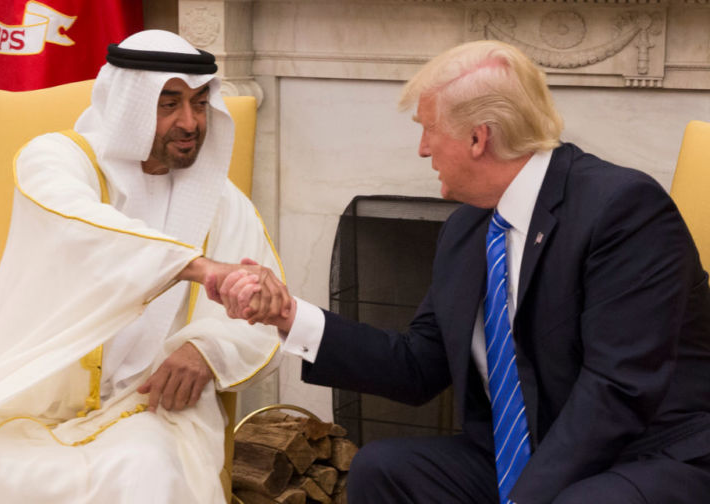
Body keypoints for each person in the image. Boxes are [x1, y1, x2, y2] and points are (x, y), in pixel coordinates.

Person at [216, 40, 710, 503]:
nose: (423, 148)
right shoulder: (468, 229)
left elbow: (618, 390)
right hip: (525, 452)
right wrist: (287, 316)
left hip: (643, 452)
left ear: (478, 138)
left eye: (428, 128)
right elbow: (417, 365)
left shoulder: (621, 208)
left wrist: (524, 498)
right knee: (381, 469)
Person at [0, 30, 290, 504]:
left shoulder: (222, 203)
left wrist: (206, 349)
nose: (190, 122)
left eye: (198, 103)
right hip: (30, 389)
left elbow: (263, 325)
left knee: (143, 474)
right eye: (167, 104)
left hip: (148, 406)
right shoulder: (54, 160)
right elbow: (91, 232)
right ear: (129, 104)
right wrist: (201, 268)